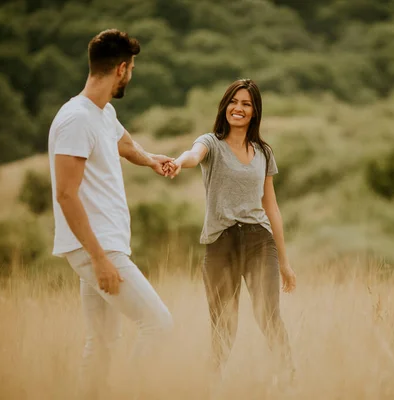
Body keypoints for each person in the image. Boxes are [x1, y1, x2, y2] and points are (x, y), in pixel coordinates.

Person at [48, 29, 174, 399]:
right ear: (122, 69)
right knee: (158, 325)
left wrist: (152, 160)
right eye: (131, 67)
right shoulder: (76, 119)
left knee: (102, 341)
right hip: (96, 247)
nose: (131, 74)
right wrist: (100, 258)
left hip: (103, 244)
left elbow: (123, 142)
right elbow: (66, 194)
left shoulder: (102, 113)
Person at [164, 79, 297, 384]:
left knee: (269, 317)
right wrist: (177, 163)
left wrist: (285, 263)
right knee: (224, 325)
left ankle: (289, 382)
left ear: (254, 112)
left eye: (246, 104)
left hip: (258, 240)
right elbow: (191, 155)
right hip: (220, 242)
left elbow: (271, 207)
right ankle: (210, 386)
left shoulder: (263, 152)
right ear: (225, 106)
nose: (239, 108)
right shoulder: (210, 143)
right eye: (234, 102)